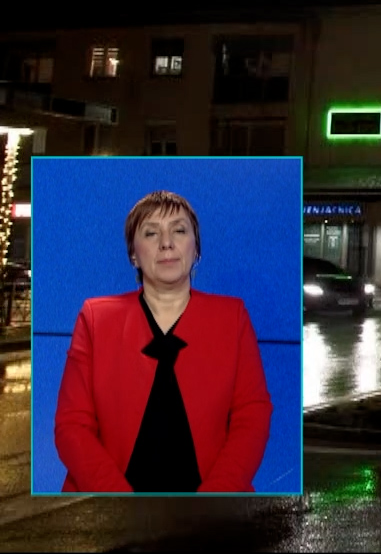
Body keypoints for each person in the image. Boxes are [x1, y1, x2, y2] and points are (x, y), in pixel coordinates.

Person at [54, 190, 273, 493]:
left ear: (196, 248)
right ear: (133, 253)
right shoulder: (95, 318)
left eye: (179, 231)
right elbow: (71, 426)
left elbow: (253, 415)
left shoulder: (232, 316)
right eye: (151, 233)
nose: (166, 243)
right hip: (107, 510)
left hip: (209, 513)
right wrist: (120, 506)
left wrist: (211, 501)